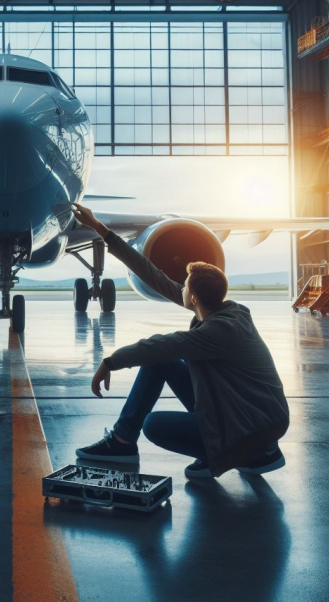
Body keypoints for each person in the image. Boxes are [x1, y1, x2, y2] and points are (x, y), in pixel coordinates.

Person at [72, 203, 289, 479]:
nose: (180, 286)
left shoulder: (217, 332)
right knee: (159, 363)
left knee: (155, 425)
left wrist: (110, 362)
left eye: (185, 285)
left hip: (254, 427)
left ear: (194, 298)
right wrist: (99, 228)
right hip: (248, 415)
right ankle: (122, 441)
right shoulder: (223, 310)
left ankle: (242, 453)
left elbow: (161, 344)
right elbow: (151, 274)